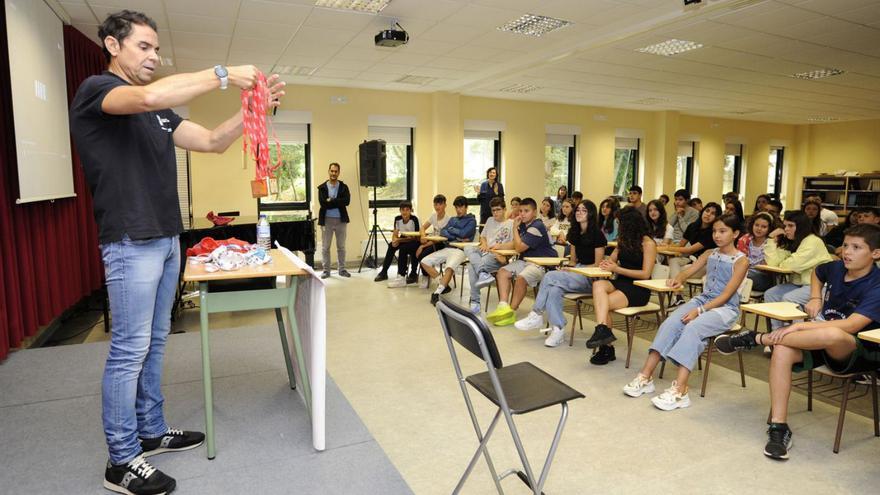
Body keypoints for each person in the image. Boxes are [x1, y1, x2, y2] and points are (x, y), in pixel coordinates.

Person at [69, 10, 285, 494]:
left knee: (156, 341)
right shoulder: (98, 91)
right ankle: (121, 461)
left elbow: (209, 141)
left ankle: (150, 430)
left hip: (167, 239)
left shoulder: (159, 113)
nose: (154, 56)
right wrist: (224, 74)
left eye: (156, 48)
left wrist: (255, 108)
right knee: (129, 349)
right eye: (143, 47)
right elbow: (147, 93)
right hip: (130, 239)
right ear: (112, 45)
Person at [715, 223, 880, 460]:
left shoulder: (877, 283)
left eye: (856, 247)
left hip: (857, 351)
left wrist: (803, 324)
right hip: (817, 340)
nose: (847, 252)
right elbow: (817, 272)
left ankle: (757, 338)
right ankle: (778, 427)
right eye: (845, 245)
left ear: (875, 253)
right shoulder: (836, 268)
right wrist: (814, 296)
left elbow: (852, 326)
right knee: (781, 349)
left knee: (833, 334)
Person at [623, 214, 748, 410]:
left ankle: (681, 390)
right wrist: (678, 278)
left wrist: (699, 311)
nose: (717, 235)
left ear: (736, 234)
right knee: (671, 322)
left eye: (723, 231)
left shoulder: (741, 261)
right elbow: (688, 271)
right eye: (715, 231)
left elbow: (726, 295)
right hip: (704, 300)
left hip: (725, 309)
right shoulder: (709, 253)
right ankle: (645, 376)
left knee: (693, 328)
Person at [515, 200, 607, 347]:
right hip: (577, 271)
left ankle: (536, 314)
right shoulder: (575, 233)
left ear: (590, 214)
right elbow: (573, 261)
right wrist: (567, 268)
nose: (579, 212)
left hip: (592, 278)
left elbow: (597, 265)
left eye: (583, 210)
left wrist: (575, 269)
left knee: (549, 276)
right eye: (578, 210)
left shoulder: (598, 234)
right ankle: (558, 329)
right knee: (553, 289)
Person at [585, 206, 657, 365]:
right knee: (598, 286)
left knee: (602, 305)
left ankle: (606, 348)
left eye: (620, 223)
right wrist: (607, 263)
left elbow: (645, 274)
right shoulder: (623, 240)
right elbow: (612, 260)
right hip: (622, 282)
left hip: (639, 288)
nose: (618, 226)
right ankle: (602, 331)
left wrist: (616, 268)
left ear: (630, 224)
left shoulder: (648, 243)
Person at [486, 198, 557, 326]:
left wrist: (514, 227)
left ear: (535, 212)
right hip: (526, 261)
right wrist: (499, 246)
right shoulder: (524, 225)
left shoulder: (537, 226)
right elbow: (515, 243)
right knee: (502, 272)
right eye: (520, 211)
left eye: (526, 211)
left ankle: (511, 312)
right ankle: (503, 306)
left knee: (521, 278)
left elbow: (518, 247)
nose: (522, 214)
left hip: (542, 264)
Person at [762, 211, 832, 331]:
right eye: (785, 226)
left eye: (790, 226)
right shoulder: (795, 241)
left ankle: (792, 335)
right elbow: (773, 262)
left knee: (789, 298)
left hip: (819, 286)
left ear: (801, 226)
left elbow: (791, 265)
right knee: (771, 294)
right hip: (799, 284)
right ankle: (776, 333)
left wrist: (784, 262)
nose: (786, 229)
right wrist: (770, 239)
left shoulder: (813, 241)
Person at [421, 196, 477, 305]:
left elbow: (464, 234)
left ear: (466, 207)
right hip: (448, 247)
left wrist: (451, 231)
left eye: (461, 207)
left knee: (449, 267)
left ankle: (437, 293)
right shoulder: (452, 219)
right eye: (456, 207)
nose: (458, 210)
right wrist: (456, 234)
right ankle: (444, 285)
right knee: (424, 261)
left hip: (461, 250)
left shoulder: (472, 221)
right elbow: (443, 232)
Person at [667, 203, 722, 305]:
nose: (708, 214)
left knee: (675, 272)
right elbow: (680, 246)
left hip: (706, 264)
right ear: (702, 211)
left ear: (716, 217)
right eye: (707, 211)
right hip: (691, 260)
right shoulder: (692, 226)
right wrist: (665, 246)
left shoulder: (712, 232)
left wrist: (666, 247)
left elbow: (690, 249)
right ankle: (678, 296)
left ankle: (677, 297)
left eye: (713, 213)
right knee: (673, 260)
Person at [466, 197, 514, 313]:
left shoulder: (511, 224)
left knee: (472, 267)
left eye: (498, 210)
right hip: (485, 250)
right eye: (493, 210)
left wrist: (498, 248)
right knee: (468, 247)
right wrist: (484, 243)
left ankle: (475, 302)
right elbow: (483, 236)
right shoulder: (489, 220)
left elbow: (514, 244)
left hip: (497, 255)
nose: (495, 213)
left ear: (504, 209)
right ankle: (482, 272)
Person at [318, 162, 352, 278]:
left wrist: (331, 200)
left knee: (341, 247)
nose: (333, 173)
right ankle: (326, 271)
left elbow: (347, 201)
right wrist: (337, 201)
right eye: (332, 171)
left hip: (341, 220)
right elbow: (323, 204)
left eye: (336, 171)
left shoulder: (344, 187)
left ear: (338, 173)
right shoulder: (322, 188)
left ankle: (342, 270)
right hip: (326, 220)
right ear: (329, 171)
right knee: (325, 247)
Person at [374, 200, 420, 285]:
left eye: (407, 210)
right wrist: (395, 240)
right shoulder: (397, 219)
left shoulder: (414, 219)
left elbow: (415, 237)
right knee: (391, 246)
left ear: (411, 210)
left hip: (414, 240)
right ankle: (384, 272)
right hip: (403, 239)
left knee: (407, 248)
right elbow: (395, 233)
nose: (405, 212)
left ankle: (413, 274)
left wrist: (399, 240)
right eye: (403, 210)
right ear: (400, 210)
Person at [736, 212, 777, 292]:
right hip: (744, 272)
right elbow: (739, 260)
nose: (759, 229)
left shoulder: (773, 242)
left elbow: (770, 264)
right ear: (752, 225)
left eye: (764, 227)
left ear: (770, 228)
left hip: (764, 276)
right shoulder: (744, 239)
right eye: (756, 225)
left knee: (743, 274)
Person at [416, 194, 449, 287]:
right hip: (432, 241)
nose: (437, 207)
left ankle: (427, 276)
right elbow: (422, 227)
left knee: (422, 254)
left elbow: (439, 240)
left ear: (445, 205)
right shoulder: (433, 216)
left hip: (441, 244)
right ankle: (424, 274)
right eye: (435, 205)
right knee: (414, 247)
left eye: (440, 204)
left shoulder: (448, 220)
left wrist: (423, 245)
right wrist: (423, 236)